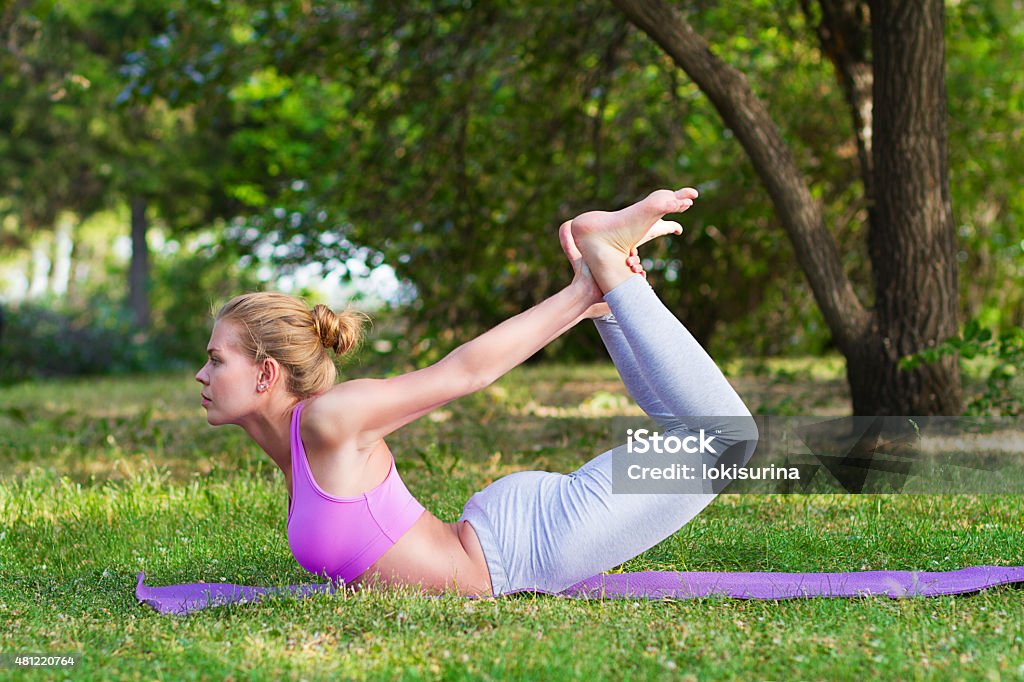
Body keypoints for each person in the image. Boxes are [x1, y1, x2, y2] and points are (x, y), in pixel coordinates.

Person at [194, 186, 758, 597]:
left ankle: (609, 273)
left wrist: (583, 287)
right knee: (708, 439)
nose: (202, 374)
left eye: (217, 360)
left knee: (727, 442)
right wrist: (585, 292)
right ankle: (610, 291)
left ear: (266, 374)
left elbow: (464, 373)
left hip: (524, 550)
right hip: (506, 542)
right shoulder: (293, 443)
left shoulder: (329, 419)